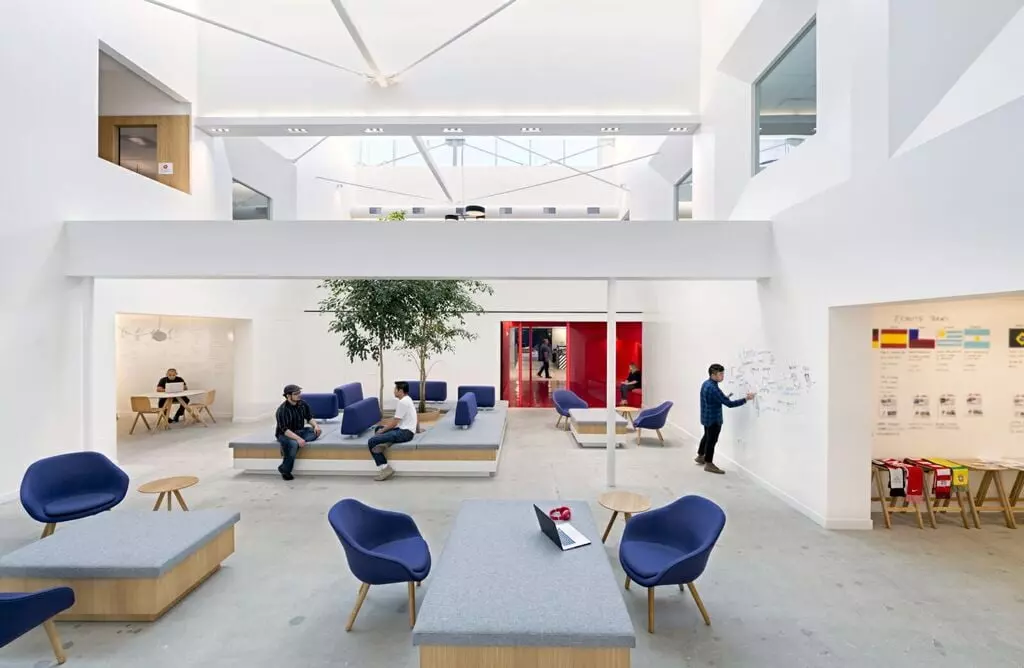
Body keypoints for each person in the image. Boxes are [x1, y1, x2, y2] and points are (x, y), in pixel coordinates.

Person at [697, 363, 755, 475]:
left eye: (723, 373)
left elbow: (711, 400)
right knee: (711, 440)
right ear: (713, 375)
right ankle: (709, 463)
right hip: (713, 419)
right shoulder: (713, 388)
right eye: (720, 374)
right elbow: (729, 404)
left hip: (706, 417)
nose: (723, 376)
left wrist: (723, 398)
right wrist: (746, 399)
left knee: (706, 436)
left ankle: (700, 456)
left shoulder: (706, 384)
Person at [367, 381, 418, 482]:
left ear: (400, 391)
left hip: (405, 433)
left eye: (395, 389)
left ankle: (385, 468)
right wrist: (417, 429)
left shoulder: (402, 402)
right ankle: (386, 443)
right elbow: (414, 415)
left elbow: (395, 422)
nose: (394, 391)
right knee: (378, 429)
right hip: (406, 430)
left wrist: (382, 431)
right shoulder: (408, 399)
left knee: (372, 441)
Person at [275, 384, 321, 481]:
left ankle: (287, 445)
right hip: (285, 434)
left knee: (315, 432)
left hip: (299, 431)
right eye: (296, 394)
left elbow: (309, 418)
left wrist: (316, 426)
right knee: (293, 444)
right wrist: (298, 439)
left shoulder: (302, 404)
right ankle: (285, 470)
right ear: (288, 396)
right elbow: (284, 429)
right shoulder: (282, 410)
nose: (299, 395)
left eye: (299, 393)